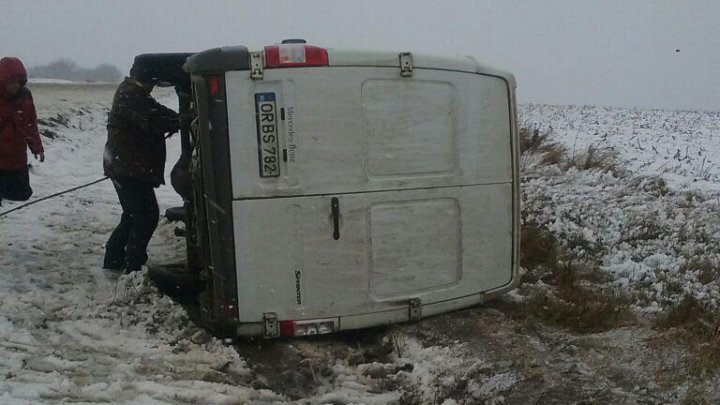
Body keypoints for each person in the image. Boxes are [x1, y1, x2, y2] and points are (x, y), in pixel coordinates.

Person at [102, 62, 179, 273]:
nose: (153, 87)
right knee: (145, 216)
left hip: (128, 166)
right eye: (153, 82)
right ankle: (133, 264)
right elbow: (153, 119)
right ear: (147, 79)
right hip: (128, 168)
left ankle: (115, 260)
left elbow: (156, 111)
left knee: (133, 215)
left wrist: (176, 118)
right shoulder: (131, 94)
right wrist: (179, 121)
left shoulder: (134, 92)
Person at [0, 57, 45, 205]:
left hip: (17, 158)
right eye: (10, 82)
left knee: (20, 195)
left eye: (18, 82)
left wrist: (37, 148)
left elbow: (31, 124)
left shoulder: (25, 96)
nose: (14, 86)